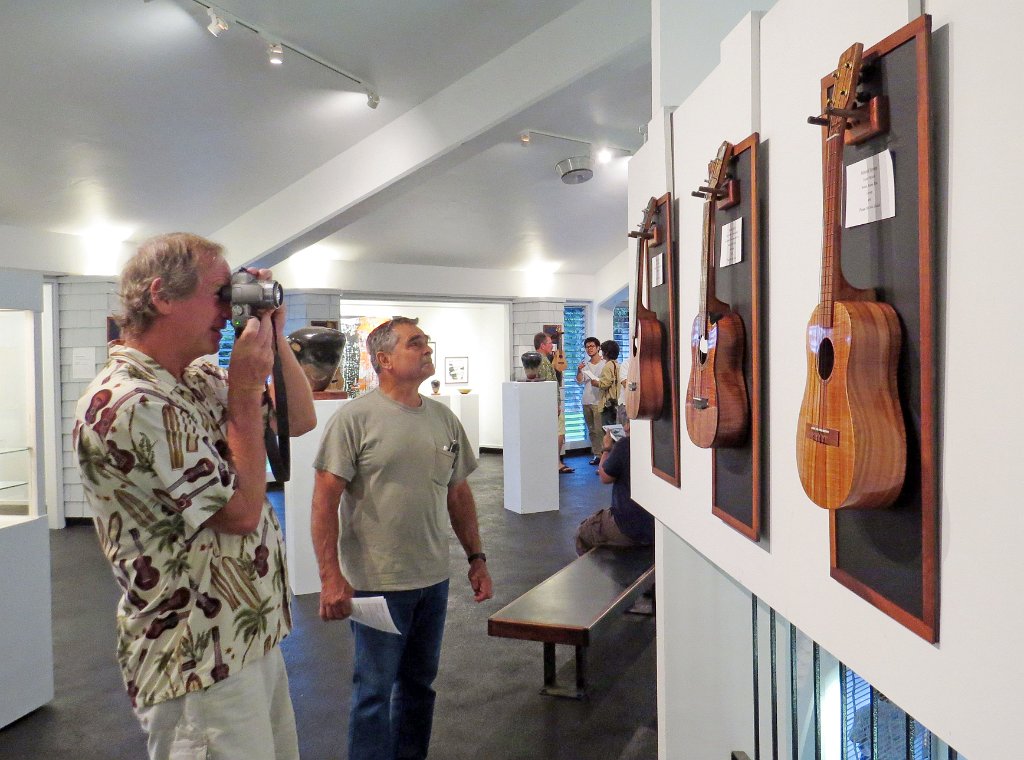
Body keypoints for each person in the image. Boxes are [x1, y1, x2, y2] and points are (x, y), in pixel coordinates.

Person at [73, 232, 316, 760]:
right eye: (220, 294)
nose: (229, 308)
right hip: (195, 656)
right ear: (162, 295)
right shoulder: (131, 399)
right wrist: (247, 394)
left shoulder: (200, 376)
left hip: (245, 636)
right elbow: (241, 513)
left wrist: (274, 333)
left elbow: (302, 420)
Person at [310, 316, 494, 760]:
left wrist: (477, 557)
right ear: (384, 360)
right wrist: (331, 577)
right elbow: (323, 502)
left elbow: (458, 492)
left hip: (432, 580)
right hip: (377, 584)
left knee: (419, 687)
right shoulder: (355, 419)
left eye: (426, 342)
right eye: (416, 344)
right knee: (372, 694)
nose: (427, 348)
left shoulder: (443, 420)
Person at [575, 421, 654, 555]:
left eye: (630, 421)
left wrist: (606, 449)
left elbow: (604, 477)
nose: (626, 427)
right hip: (658, 527)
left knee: (583, 533)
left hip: (630, 527)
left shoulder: (626, 445)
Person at [533, 331, 572, 473]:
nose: (552, 346)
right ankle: (555, 462)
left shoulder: (537, 359)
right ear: (542, 345)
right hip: (549, 403)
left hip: (544, 403)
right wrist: (556, 403)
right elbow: (548, 383)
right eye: (550, 343)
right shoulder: (543, 361)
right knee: (559, 431)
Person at [575, 336, 607, 465]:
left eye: (592, 346)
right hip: (586, 400)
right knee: (592, 430)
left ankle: (605, 455)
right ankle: (597, 454)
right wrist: (579, 370)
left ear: (598, 347)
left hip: (599, 400)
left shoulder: (605, 363)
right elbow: (579, 381)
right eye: (587, 347)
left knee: (600, 430)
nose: (589, 349)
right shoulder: (585, 365)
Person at [591, 339, 621, 429]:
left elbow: (606, 383)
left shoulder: (607, 366)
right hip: (615, 401)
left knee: (608, 430)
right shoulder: (617, 364)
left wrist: (596, 383)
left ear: (606, 353)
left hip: (607, 404)